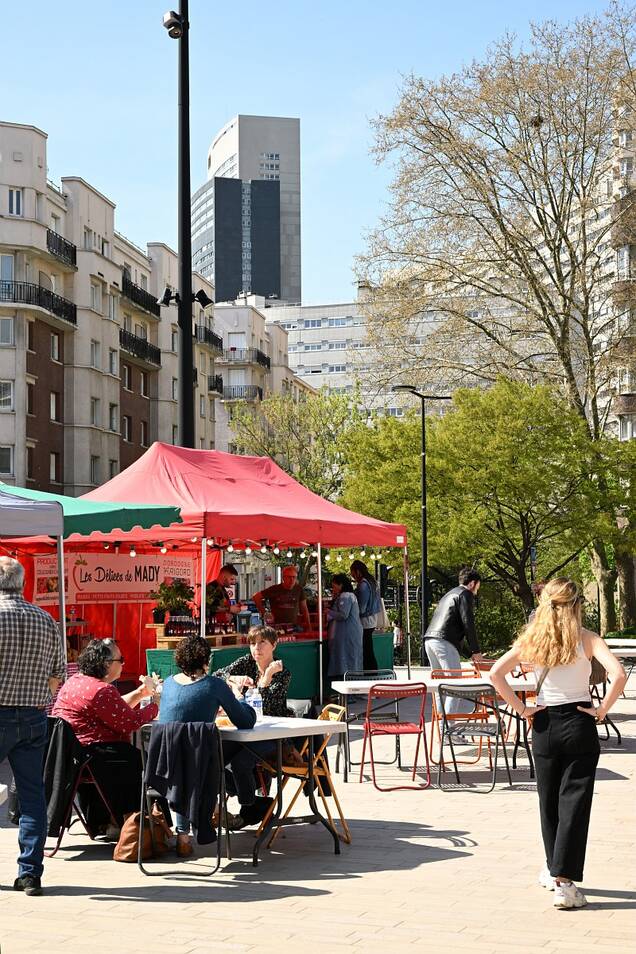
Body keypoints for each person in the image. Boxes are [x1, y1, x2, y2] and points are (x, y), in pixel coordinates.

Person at [490, 578, 626, 909]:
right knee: (574, 804)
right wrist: (602, 710)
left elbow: (495, 673)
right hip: (580, 720)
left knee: (548, 802)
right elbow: (618, 674)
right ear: (577, 605)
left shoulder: (532, 641)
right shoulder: (588, 639)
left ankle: (555, 872)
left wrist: (522, 709)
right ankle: (563, 880)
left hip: (545, 722)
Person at [0, 556, 65, 897]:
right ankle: (30, 873)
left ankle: (28, 873)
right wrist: (36, 694)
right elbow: (59, 675)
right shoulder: (46, 620)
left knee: (30, 794)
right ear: (22, 584)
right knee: (32, 796)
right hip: (34, 714)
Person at [158, 635, 258, 856]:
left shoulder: (168, 684)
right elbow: (245, 721)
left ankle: (183, 835)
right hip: (200, 764)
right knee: (237, 751)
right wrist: (239, 697)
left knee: (185, 767)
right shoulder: (214, 685)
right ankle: (240, 802)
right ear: (206, 659)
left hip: (164, 767)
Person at [52, 638, 160, 835]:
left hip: (73, 756)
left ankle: (108, 820)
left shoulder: (75, 681)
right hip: (97, 756)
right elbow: (130, 722)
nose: (124, 664)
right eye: (121, 659)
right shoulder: (102, 690)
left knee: (134, 756)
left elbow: (114, 709)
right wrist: (156, 705)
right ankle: (131, 823)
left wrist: (139, 693)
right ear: (107, 664)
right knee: (146, 760)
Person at [214, 625, 292, 825]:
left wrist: (265, 679)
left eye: (262, 642)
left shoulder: (281, 671)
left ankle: (250, 807)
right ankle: (249, 801)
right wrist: (234, 678)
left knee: (241, 763)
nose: (256, 647)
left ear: (274, 645)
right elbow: (217, 677)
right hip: (245, 731)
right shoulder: (246, 663)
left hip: (273, 735)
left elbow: (269, 704)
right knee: (215, 757)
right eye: (252, 643)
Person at [424, 568, 488, 712]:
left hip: (430, 640)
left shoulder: (449, 594)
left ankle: (443, 728)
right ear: (472, 583)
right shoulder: (466, 594)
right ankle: (449, 731)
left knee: (440, 685)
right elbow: (468, 624)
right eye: (478, 585)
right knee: (455, 685)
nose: (478, 589)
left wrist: (469, 653)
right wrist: (476, 651)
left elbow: (452, 629)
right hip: (444, 642)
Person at [327, 573, 363, 679]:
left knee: (345, 658)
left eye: (334, 586)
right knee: (352, 658)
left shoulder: (345, 596)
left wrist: (329, 612)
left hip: (346, 633)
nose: (333, 589)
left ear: (341, 585)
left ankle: (347, 681)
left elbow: (343, 615)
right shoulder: (350, 596)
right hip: (351, 632)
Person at [253, 565, 311, 630]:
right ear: (283, 578)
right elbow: (256, 597)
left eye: (294, 577)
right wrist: (264, 613)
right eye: (289, 577)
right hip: (277, 626)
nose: (291, 580)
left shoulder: (299, 589)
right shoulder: (275, 589)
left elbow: (304, 609)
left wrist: (309, 627)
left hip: (294, 626)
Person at [350, 560, 381, 671]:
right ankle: (371, 671)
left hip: (365, 621)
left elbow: (362, 607)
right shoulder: (372, 582)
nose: (353, 576)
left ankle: (370, 672)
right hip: (372, 619)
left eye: (353, 573)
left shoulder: (363, 585)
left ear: (358, 571)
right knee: (368, 648)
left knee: (366, 650)